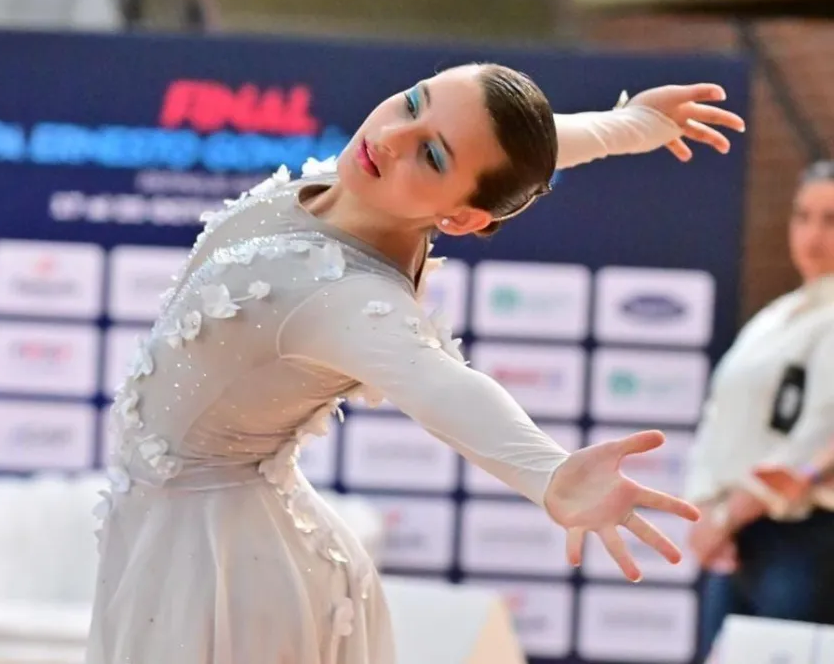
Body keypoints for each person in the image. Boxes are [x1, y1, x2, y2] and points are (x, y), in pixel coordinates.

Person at [87, 63, 744, 664]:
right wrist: (632, 125)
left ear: (460, 216)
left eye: (430, 155)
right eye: (411, 103)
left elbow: (441, 384)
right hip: (193, 537)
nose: (393, 137)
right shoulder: (361, 182)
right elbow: (514, 144)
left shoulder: (348, 295)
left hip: (224, 575)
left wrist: (549, 474)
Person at [685, 159, 834, 661]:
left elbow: (815, 439)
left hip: (803, 543)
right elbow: (720, 419)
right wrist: (705, 509)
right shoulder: (777, 316)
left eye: (831, 220)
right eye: (803, 216)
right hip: (738, 539)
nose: (813, 236)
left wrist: (724, 516)